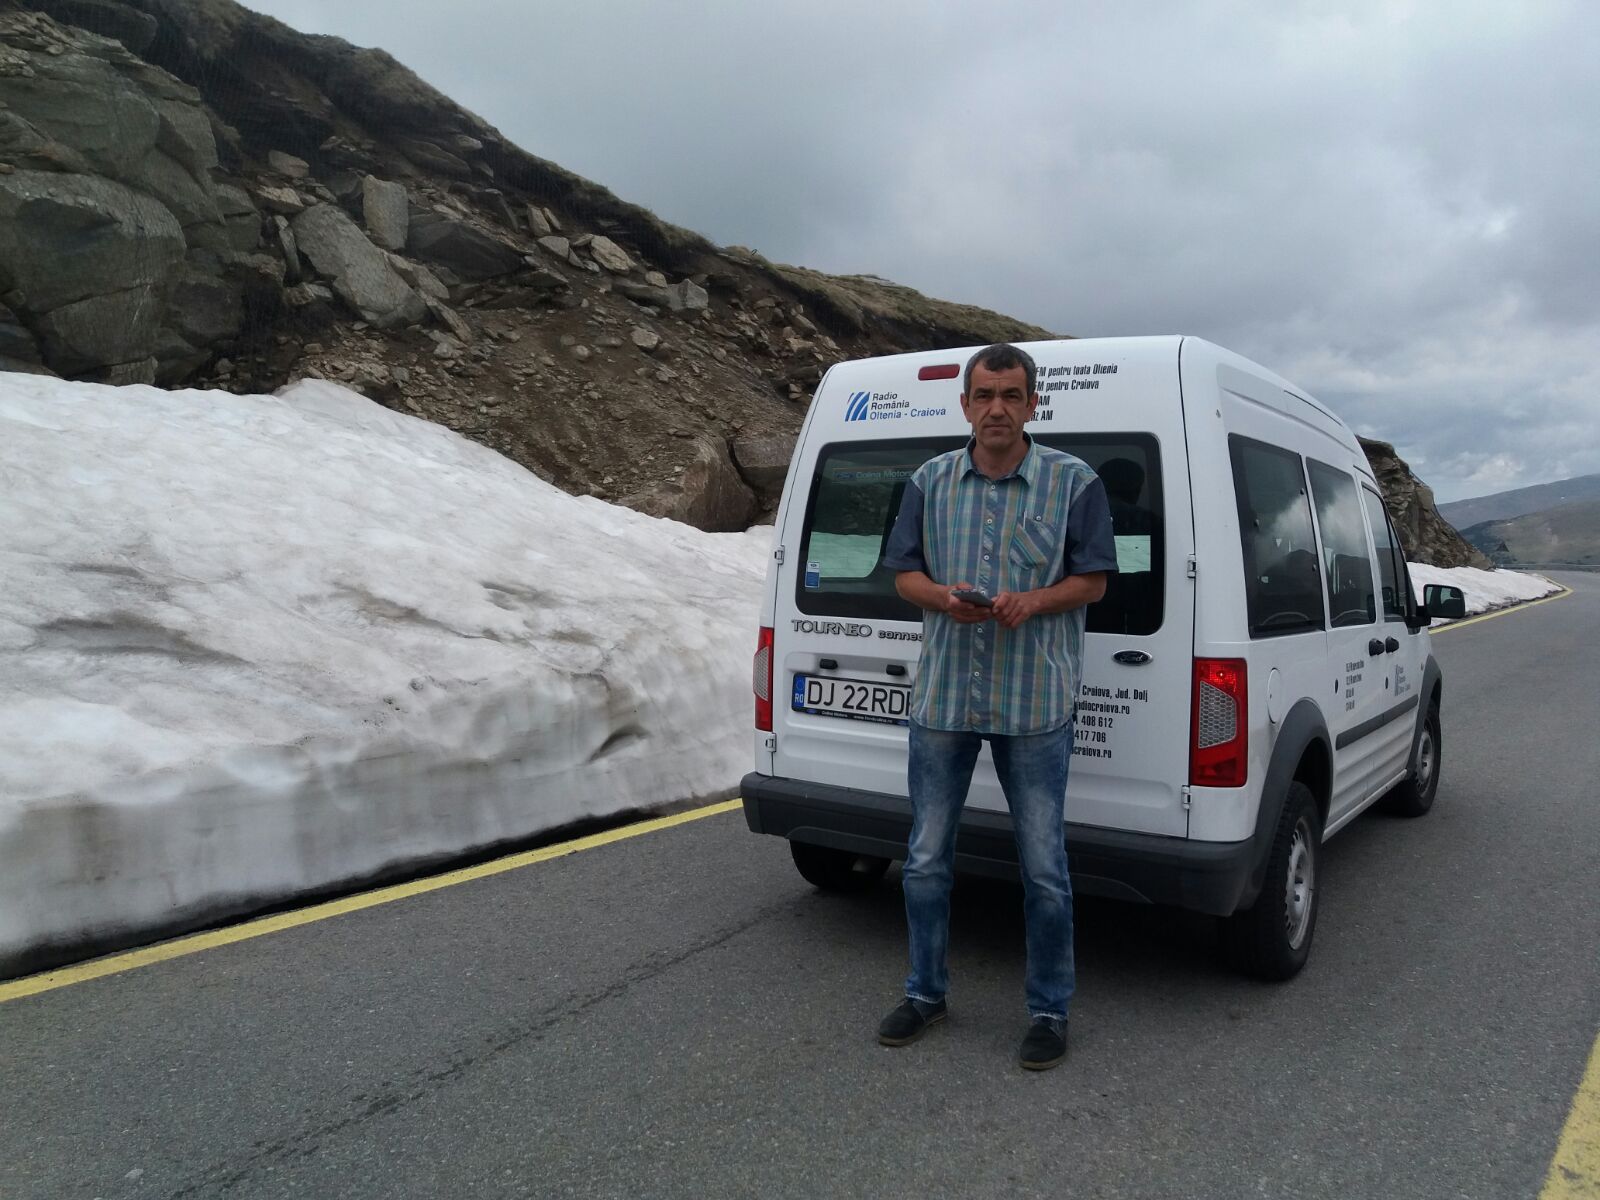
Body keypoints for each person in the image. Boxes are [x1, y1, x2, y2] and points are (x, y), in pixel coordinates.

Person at [876, 343, 1118, 1071]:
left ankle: (1049, 1009)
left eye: (1011, 395)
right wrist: (943, 597)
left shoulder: (1075, 483)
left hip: (1034, 702)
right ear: (965, 404)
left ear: (1033, 404)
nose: (997, 409)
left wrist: (1033, 601)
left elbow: (1094, 581)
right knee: (924, 859)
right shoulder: (928, 481)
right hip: (944, 698)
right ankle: (924, 993)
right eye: (984, 396)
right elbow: (903, 574)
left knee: (1044, 868)